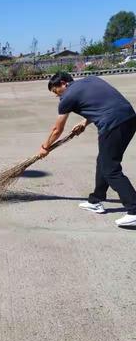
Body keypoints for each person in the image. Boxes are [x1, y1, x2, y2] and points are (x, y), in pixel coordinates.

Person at [39, 72, 136, 227]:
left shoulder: (67, 97)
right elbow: (101, 102)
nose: (58, 97)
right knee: (103, 162)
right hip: (129, 118)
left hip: (112, 124)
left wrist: (45, 147)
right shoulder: (92, 80)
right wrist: (84, 123)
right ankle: (96, 200)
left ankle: (134, 209)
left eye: (56, 92)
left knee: (110, 169)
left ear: (63, 83)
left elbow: (57, 130)